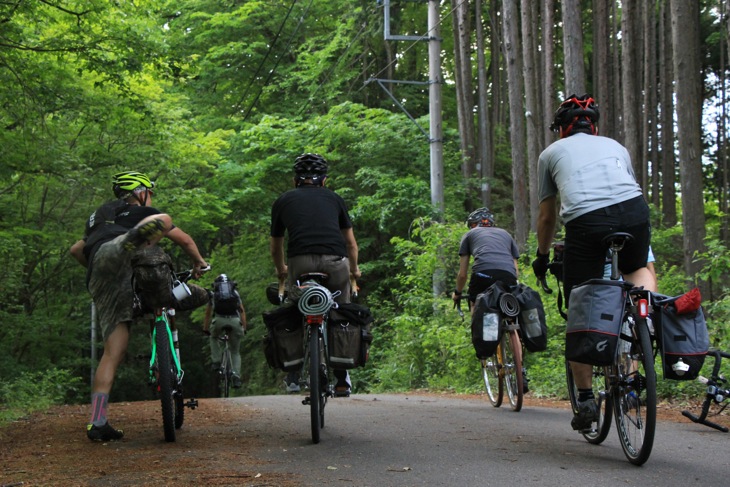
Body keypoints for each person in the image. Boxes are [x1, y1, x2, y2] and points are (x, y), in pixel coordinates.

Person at [532, 94, 656, 432]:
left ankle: (586, 399)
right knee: (637, 269)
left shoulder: (550, 154)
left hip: (586, 221)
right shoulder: (615, 146)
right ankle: (643, 318)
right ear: (594, 126)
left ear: (561, 130)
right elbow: (626, 188)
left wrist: (542, 257)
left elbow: (547, 217)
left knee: (580, 305)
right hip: (634, 211)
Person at [70, 171, 209, 442]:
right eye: (149, 192)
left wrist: (102, 270)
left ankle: (98, 421)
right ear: (139, 192)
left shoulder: (100, 214)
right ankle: (136, 241)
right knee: (163, 221)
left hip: (100, 269)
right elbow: (185, 240)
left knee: (112, 352)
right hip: (121, 248)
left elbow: (77, 250)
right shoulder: (135, 210)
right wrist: (199, 263)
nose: (151, 197)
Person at [270, 153, 361, 397]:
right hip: (335, 261)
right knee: (342, 310)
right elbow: (350, 244)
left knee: (294, 307)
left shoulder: (283, 200)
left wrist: (282, 272)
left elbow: (276, 247)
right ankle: (342, 379)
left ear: (294, 181)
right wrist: (354, 270)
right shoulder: (335, 199)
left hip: (299, 262)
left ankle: (292, 375)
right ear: (324, 180)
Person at [451, 208, 520, 309]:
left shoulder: (469, 234)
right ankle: (511, 323)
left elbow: (462, 275)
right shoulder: (506, 234)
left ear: (473, 224)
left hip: (482, 274)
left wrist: (457, 293)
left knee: (475, 303)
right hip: (508, 275)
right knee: (509, 307)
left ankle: (477, 322)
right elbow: (516, 272)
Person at [203, 274, 247, 389]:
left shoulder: (213, 295)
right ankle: (236, 376)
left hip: (219, 321)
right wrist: (244, 327)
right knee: (235, 351)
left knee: (213, 337)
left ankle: (216, 361)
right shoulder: (235, 294)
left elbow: (208, 313)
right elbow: (242, 311)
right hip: (235, 322)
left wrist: (206, 328)